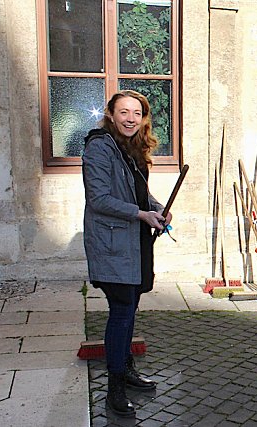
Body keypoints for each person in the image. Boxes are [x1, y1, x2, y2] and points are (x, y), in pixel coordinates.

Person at [82, 90, 171, 418]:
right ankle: (114, 389)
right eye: (124, 112)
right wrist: (140, 215)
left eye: (137, 112)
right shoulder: (99, 147)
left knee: (129, 310)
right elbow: (99, 199)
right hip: (112, 245)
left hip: (133, 244)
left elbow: (139, 193)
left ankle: (126, 369)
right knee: (121, 312)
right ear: (111, 114)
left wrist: (158, 209)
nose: (131, 118)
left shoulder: (130, 149)